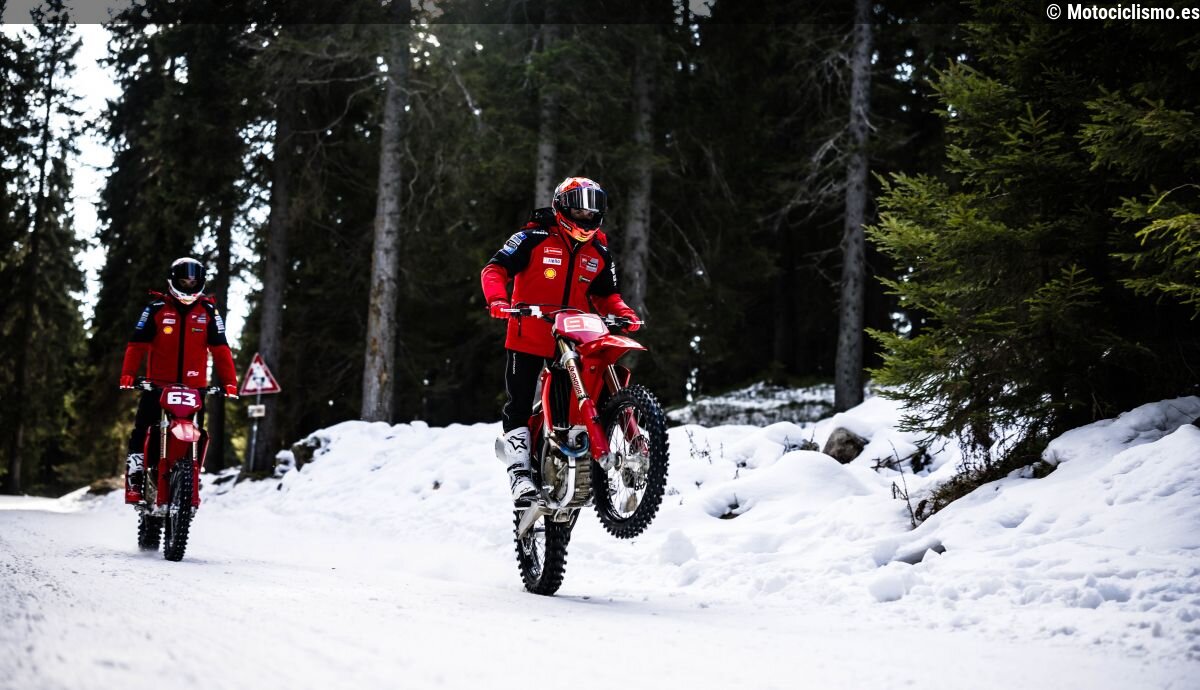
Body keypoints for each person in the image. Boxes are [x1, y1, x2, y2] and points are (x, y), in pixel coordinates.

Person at [480, 177, 641, 505]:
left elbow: (606, 295)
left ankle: (593, 463)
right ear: (562, 208)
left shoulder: (599, 252)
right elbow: (494, 269)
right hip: (528, 333)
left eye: (592, 212)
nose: (586, 218)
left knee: (589, 396)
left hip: (575, 337)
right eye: (579, 211)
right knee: (519, 403)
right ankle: (520, 473)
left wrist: (624, 312)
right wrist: (497, 299)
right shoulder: (532, 237)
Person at [118, 257, 239, 504]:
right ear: (174, 281)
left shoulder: (208, 311)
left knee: (198, 432)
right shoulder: (156, 308)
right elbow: (137, 344)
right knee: (142, 429)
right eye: (184, 282)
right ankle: (135, 477)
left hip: (194, 389)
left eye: (193, 282)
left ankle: (191, 476)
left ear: (201, 282)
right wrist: (128, 375)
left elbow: (221, 349)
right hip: (157, 385)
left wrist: (230, 382)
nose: (188, 286)